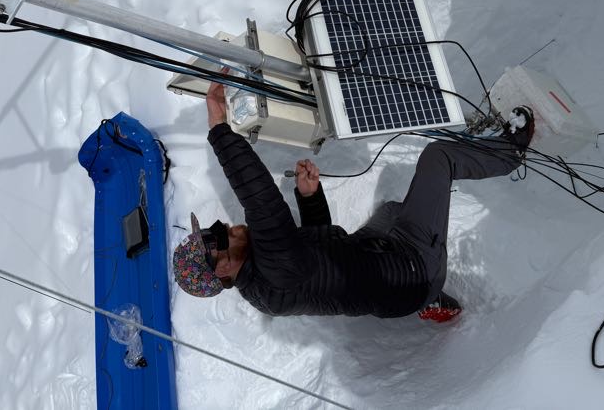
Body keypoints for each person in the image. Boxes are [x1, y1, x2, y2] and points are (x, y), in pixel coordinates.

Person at [172, 79, 534, 322]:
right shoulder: (273, 273)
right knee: (438, 158)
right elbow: (262, 202)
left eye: (212, 228)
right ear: (221, 270)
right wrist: (219, 129)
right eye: (217, 237)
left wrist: (309, 197)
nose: (225, 227)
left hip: (381, 264)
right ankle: (508, 155)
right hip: (415, 270)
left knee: (391, 210)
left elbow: (320, 249)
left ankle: (426, 299)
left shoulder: (268, 273)